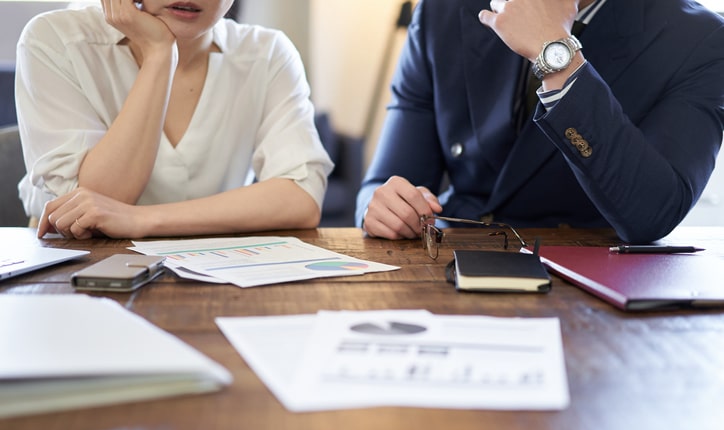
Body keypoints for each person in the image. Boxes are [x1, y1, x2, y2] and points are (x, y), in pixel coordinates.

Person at [356, 0, 724, 244]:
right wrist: (383, 209)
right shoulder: (444, 10)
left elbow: (653, 215)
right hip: (451, 263)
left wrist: (556, 53)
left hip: (589, 290)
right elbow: (385, 182)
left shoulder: (700, 39)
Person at [16, 0, 333, 239]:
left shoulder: (268, 52)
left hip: (214, 269)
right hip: (73, 265)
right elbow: (94, 206)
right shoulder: (54, 40)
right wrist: (159, 53)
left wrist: (141, 220)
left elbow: (300, 197)